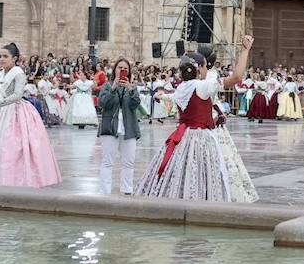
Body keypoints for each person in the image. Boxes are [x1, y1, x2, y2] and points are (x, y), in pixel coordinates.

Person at [136, 36, 259, 203]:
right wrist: (245, 50)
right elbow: (237, 77)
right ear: (200, 69)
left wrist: (160, 95)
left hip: (183, 136)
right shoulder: (202, 86)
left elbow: (170, 97)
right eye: (205, 67)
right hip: (202, 137)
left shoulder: (181, 88)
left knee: (182, 170)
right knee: (203, 170)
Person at [0, 43, 61, 188]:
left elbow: (17, 95)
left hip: (17, 113)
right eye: (0, 56)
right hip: (1, 113)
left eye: (5, 56)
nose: (1, 59)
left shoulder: (18, 73)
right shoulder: (0, 73)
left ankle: (16, 178)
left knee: (14, 147)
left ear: (15, 58)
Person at [97, 57, 142, 195]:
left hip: (128, 127)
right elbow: (102, 104)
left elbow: (136, 104)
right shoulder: (107, 85)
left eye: (125, 69)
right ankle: (104, 191)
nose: (122, 70)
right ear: (115, 69)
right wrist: (113, 88)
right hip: (110, 127)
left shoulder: (132, 87)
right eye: (120, 68)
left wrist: (130, 89)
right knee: (107, 161)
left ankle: (127, 190)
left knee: (129, 161)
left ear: (128, 72)